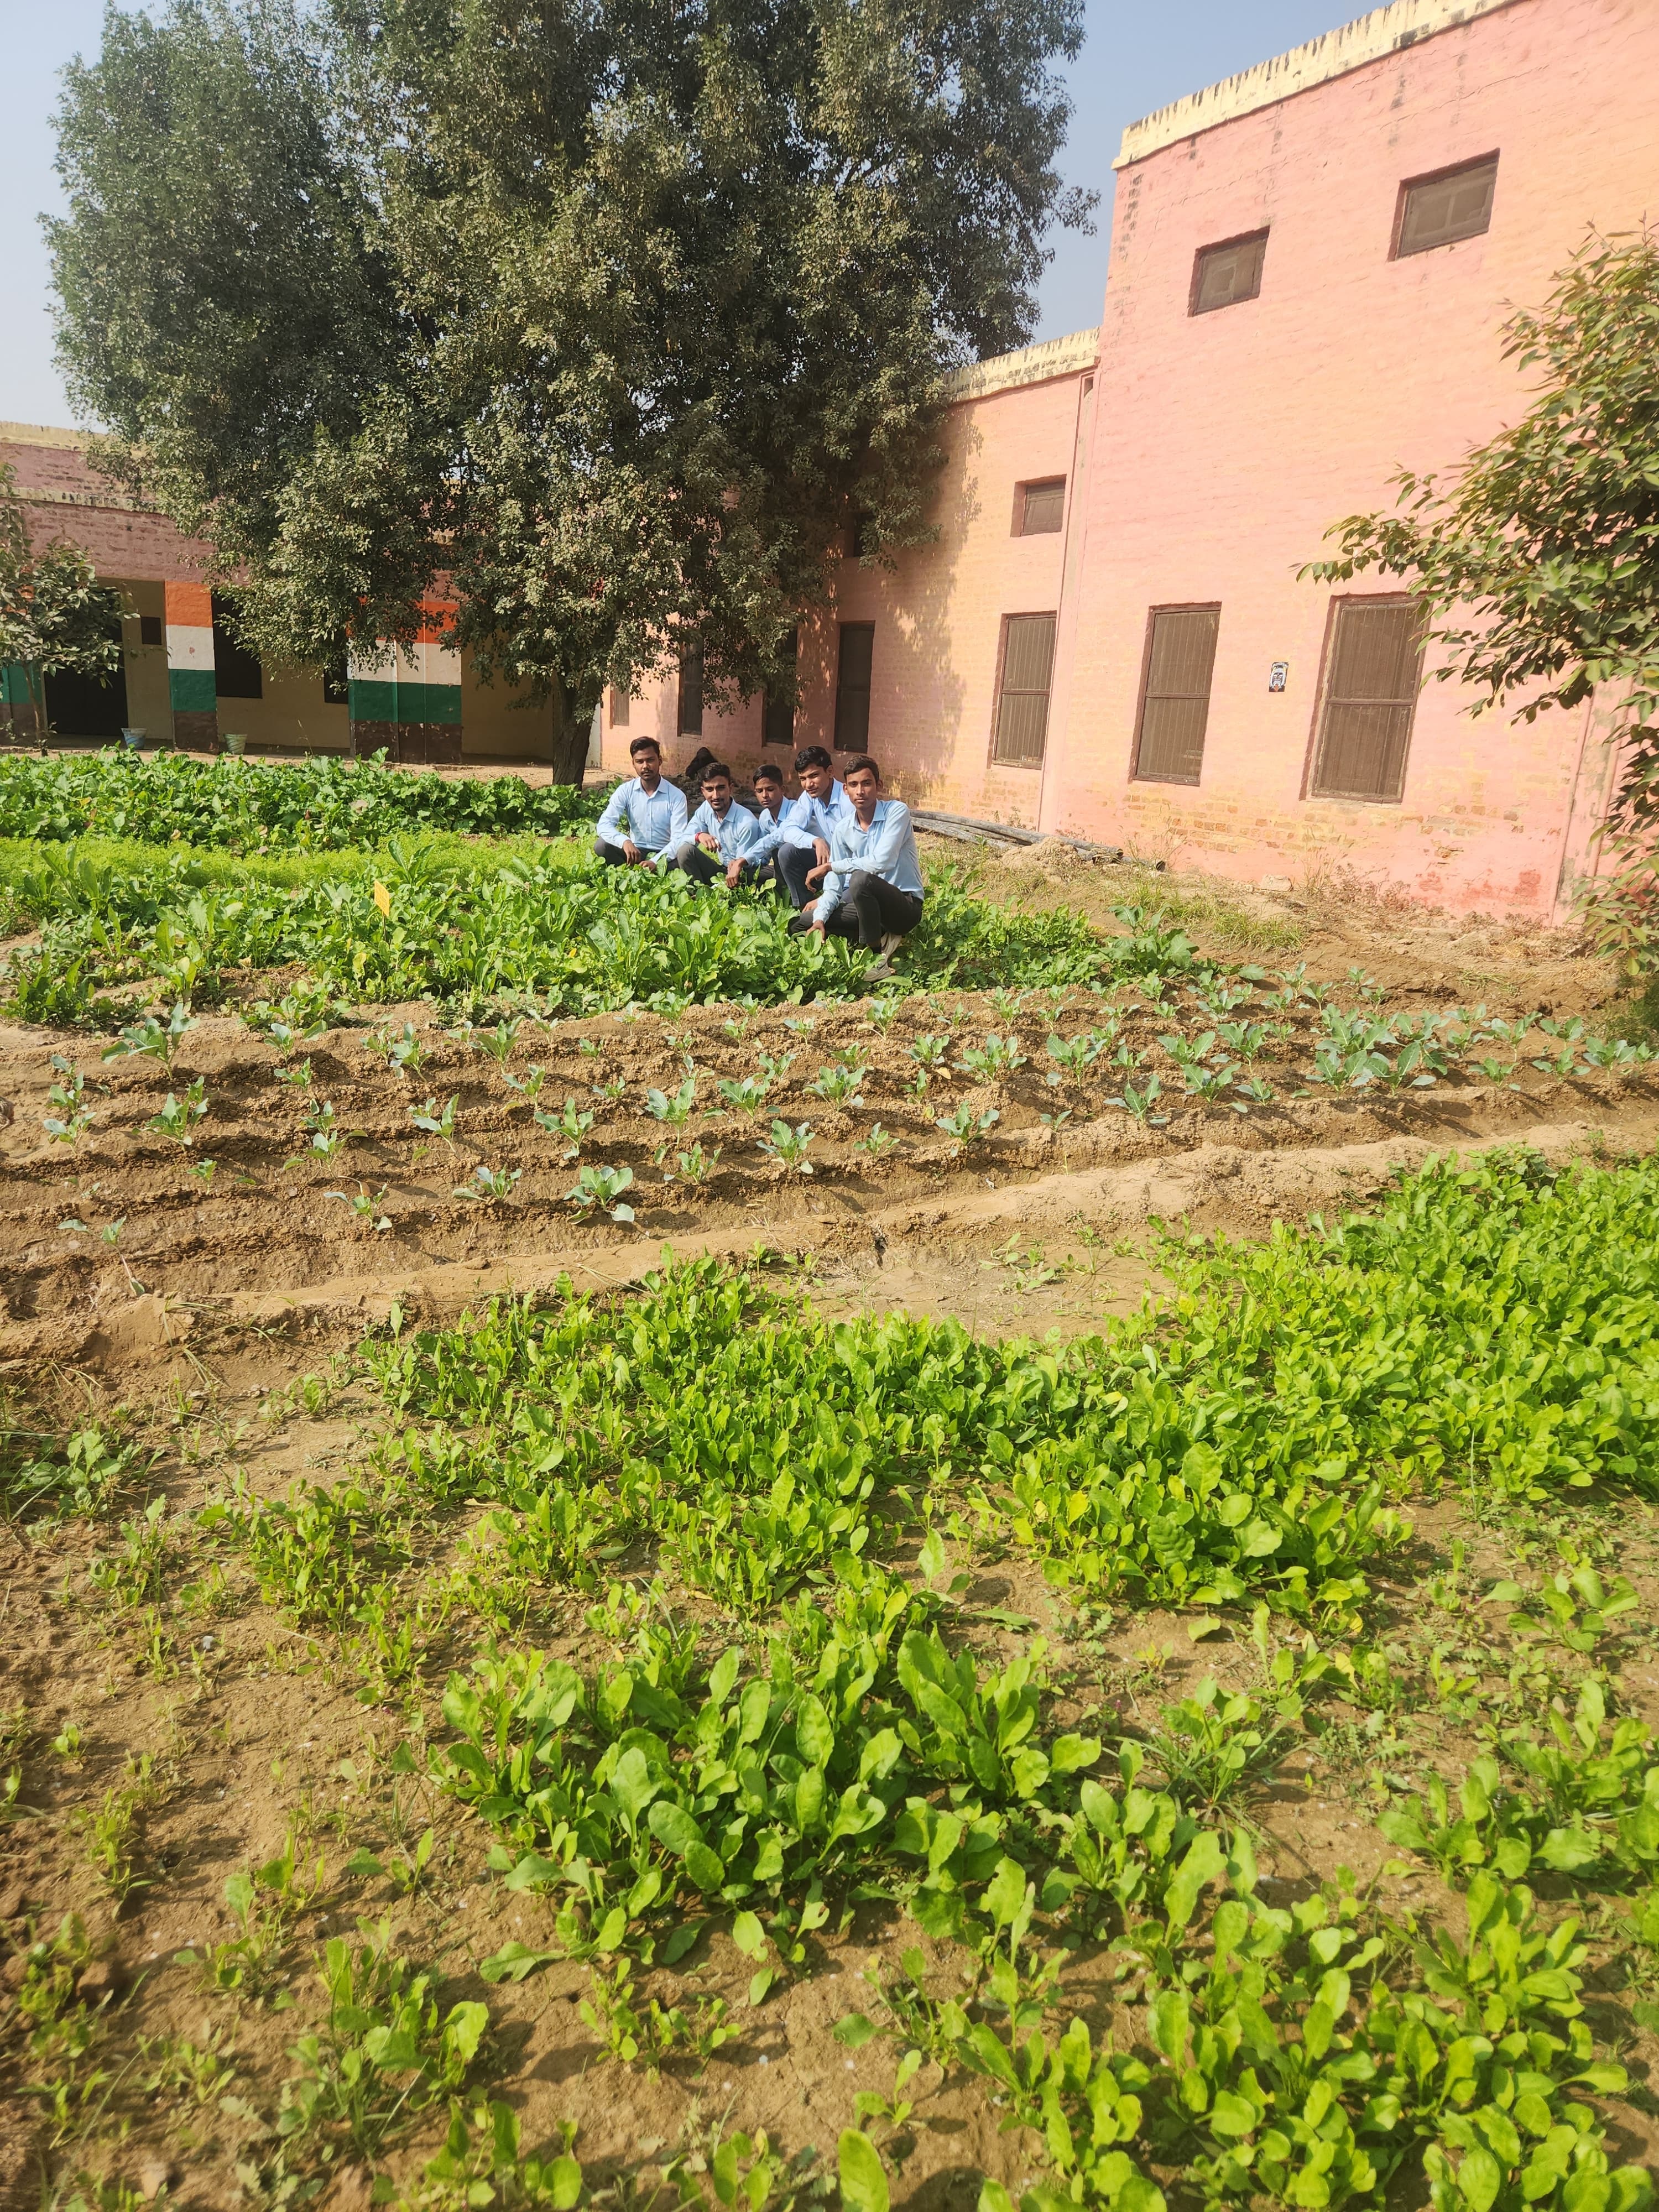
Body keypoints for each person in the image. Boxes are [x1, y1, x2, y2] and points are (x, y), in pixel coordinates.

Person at [791, 755, 924, 978]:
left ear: (879, 786)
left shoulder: (897, 812)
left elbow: (883, 861)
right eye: (854, 785)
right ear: (846, 790)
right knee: (800, 924)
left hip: (904, 906)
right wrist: (821, 919)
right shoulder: (844, 829)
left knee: (860, 880)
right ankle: (877, 937)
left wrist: (831, 866)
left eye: (867, 783)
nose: (860, 791)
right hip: (868, 909)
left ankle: (875, 959)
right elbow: (833, 888)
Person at [741, 744, 853, 905]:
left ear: (830, 772)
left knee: (833, 912)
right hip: (826, 865)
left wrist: (832, 890)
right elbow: (788, 830)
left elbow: (859, 856)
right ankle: (800, 906)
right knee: (787, 851)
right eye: (803, 779)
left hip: (852, 873)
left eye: (814, 776)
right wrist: (816, 841)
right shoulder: (809, 798)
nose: (808, 784)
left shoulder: (848, 801)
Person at [594, 737, 689, 866]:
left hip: (666, 855)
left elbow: (679, 838)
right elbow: (604, 825)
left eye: (650, 760)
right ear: (633, 764)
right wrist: (625, 842)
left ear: (660, 761)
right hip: (635, 852)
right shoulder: (626, 791)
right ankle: (628, 875)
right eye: (640, 762)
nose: (645, 766)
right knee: (601, 846)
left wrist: (656, 862)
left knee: (686, 856)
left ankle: (650, 873)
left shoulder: (676, 796)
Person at [671, 761, 760, 884]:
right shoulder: (706, 808)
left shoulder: (747, 823)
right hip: (722, 871)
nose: (716, 796)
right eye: (709, 789)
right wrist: (699, 836)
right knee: (685, 852)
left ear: (731, 788)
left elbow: (741, 867)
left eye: (721, 788)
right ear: (703, 791)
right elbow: (682, 841)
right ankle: (698, 895)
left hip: (745, 874)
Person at [739, 762, 789, 891]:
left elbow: (774, 840)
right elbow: (764, 857)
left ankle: (786, 896)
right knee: (745, 876)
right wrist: (742, 864)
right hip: (779, 870)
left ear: (782, 789)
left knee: (782, 850)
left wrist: (744, 859)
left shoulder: (795, 810)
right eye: (759, 791)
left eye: (770, 789)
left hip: (803, 868)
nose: (765, 795)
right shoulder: (765, 816)